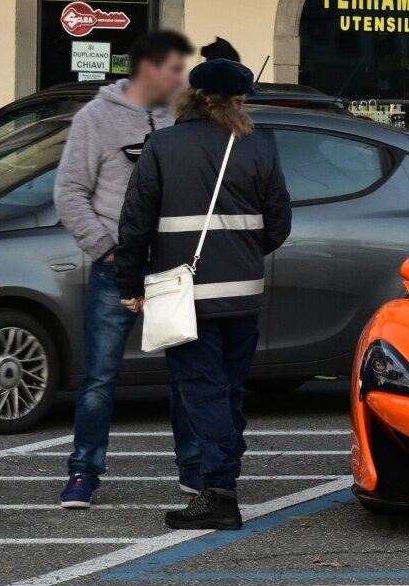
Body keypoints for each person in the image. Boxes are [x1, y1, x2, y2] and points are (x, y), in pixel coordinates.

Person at [115, 51, 292, 530]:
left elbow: (134, 223)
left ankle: (218, 493)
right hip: (244, 291)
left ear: (193, 97)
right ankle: (225, 476)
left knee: (202, 391)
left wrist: (130, 283)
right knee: (230, 390)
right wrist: (242, 254)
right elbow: (279, 224)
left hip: (185, 292)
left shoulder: (164, 146)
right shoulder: (260, 148)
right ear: (238, 102)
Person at [54, 30, 201, 510]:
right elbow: (70, 192)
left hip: (171, 268)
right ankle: (83, 471)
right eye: (175, 69)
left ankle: (194, 468)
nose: (181, 78)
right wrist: (107, 250)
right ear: (148, 68)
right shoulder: (95, 119)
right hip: (117, 268)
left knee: (184, 371)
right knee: (100, 375)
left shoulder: (179, 115)